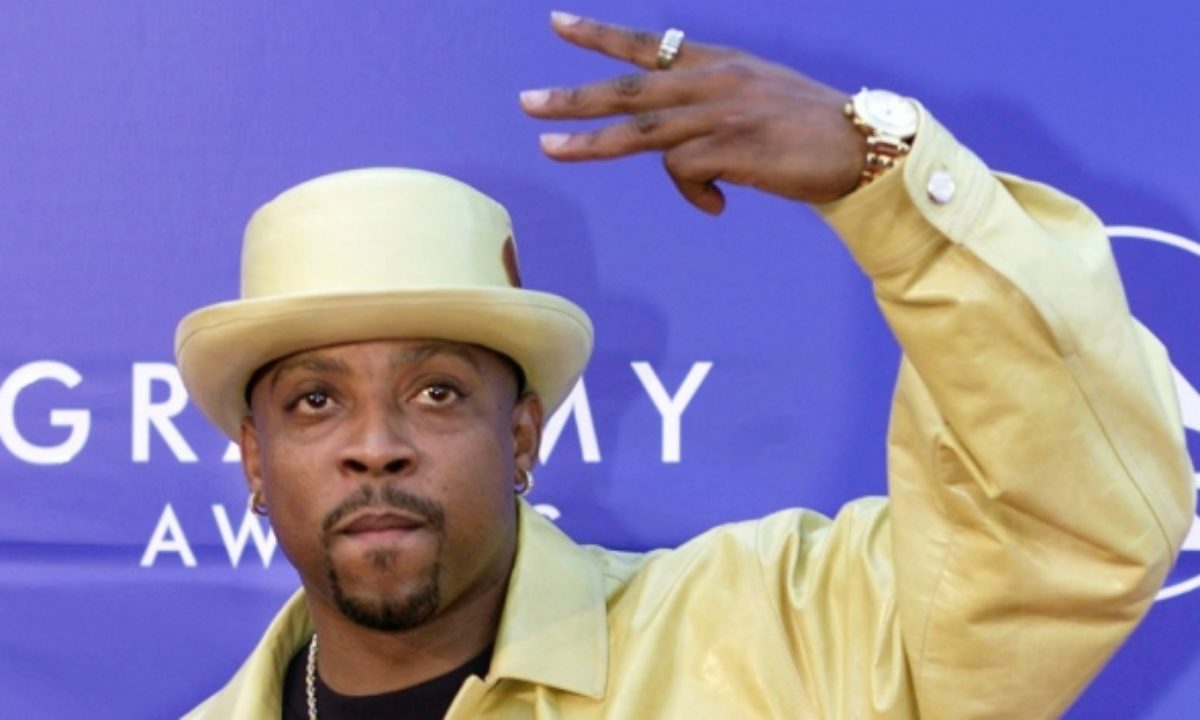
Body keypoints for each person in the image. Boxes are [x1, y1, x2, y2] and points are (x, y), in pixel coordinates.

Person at [180, 13, 1194, 720]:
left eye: (436, 391)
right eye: (316, 400)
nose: (376, 446)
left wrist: (884, 179)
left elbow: (1064, 531)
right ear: (255, 461)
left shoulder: (782, 638)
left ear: (522, 434)